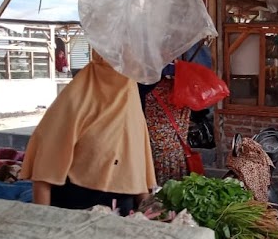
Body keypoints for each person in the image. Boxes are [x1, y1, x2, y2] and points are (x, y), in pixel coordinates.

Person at [20, 51, 156, 215]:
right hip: (74, 212)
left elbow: (136, 163)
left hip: (121, 218)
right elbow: (44, 169)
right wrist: (42, 220)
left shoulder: (130, 97)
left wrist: (147, 214)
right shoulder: (76, 98)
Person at [142, 62, 194, 187]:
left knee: (159, 186)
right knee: (177, 187)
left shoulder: (147, 93)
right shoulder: (180, 90)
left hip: (157, 149)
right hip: (177, 148)